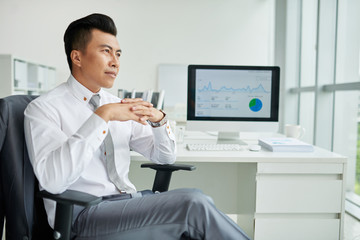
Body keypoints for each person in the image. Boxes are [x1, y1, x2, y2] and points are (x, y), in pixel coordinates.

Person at [24, 13, 249, 240]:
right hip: (83, 215)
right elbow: (53, 181)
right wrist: (102, 117)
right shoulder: (44, 109)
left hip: (129, 204)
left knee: (195, 218)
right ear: (77, 57)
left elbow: (165, 158)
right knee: (192, 204)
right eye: (105, 51)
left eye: (118, 53)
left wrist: (158, 120)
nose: (115, 61)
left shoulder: (116, 104)